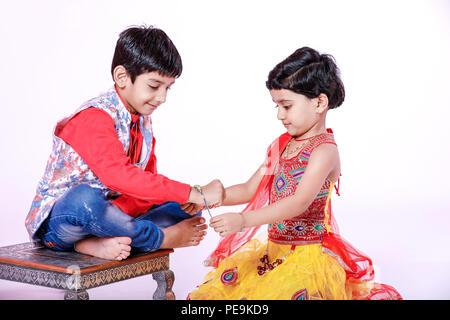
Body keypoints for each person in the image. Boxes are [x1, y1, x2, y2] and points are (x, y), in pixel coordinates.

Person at [188, 47, 402, 300]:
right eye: (276, 106)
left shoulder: (324, 151)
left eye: (286, 106)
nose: (280, 115)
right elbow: (249, 189)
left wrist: (244, 221)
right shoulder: (281, 146)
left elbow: (298, 202)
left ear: (320, 102)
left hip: (307, 258)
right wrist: (209, 196)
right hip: (272, 252)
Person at [25, 26, 224, 261]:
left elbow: (146, 183)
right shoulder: (94, 117)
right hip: (66, 220)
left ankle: (100, 241)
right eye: (154, 86)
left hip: (110, 216)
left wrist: (193, 196)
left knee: (185, 207)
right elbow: (118, 176)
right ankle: (157, 238)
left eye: (167, 88)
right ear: (121, 77)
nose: (162, 97)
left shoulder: (142, 121)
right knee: (84, 199)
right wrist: (192, 192)